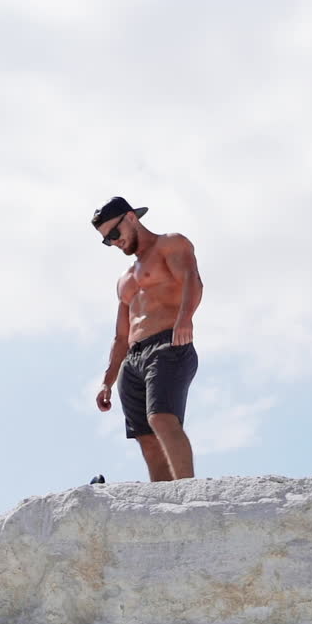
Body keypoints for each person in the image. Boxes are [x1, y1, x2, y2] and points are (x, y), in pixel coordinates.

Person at [91, 197, 203, 482]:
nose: (113, 242)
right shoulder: (125, 279)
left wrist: (185, 318)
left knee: (162, 419)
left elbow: (192, 279)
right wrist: (108, 379)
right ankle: (165, 503)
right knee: (146, 437)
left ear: (131, 218)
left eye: (114, 234)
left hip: (168, 345)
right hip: (133, 359)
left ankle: (189, 492)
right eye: (106, 241)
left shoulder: (171, 244)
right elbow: (121, 335)